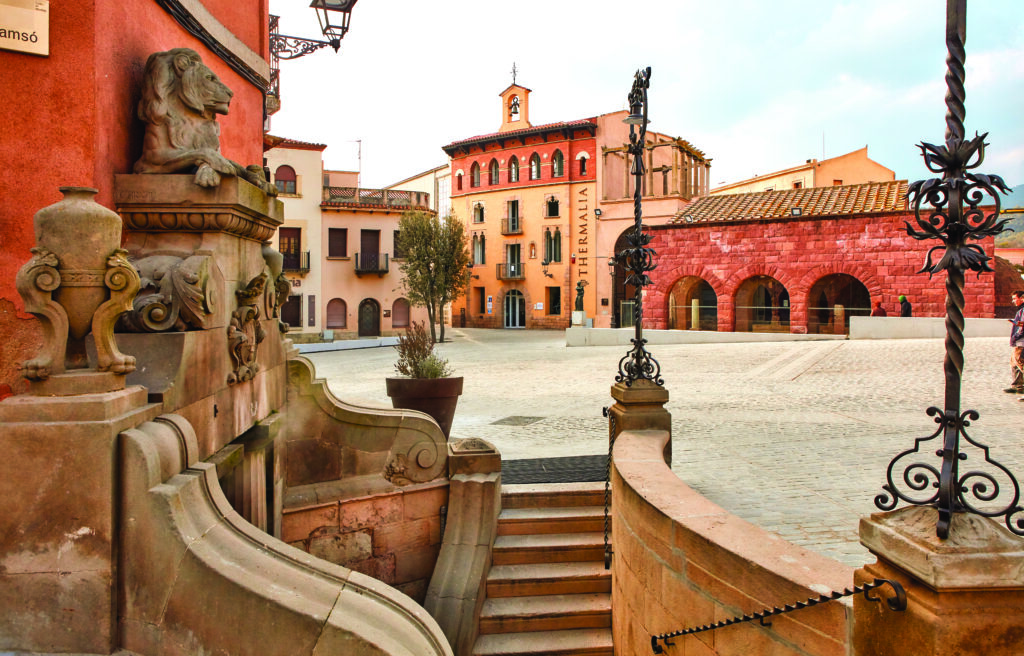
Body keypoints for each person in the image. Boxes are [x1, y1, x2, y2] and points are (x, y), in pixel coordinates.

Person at [1006, 290, 1024, 395]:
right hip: (1018, 341)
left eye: (1014, 298)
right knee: (1013, 363)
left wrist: (1016, 337)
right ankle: (1017, 386)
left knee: (1020, 363)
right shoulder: (1020, 310)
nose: (1013, 301)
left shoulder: (1023, 310)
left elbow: (1022, 327)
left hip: (1021, 342)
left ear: (1021, 298)